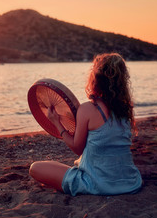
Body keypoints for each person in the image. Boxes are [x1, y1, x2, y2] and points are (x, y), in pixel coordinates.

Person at [29, 53, 142, 196]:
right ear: (122, 81)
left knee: (35, 168)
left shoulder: (88, 109)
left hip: (97, 184)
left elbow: (77, 148)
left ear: (95, 79)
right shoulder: (125, 110)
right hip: (130, 182)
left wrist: (57, 122)